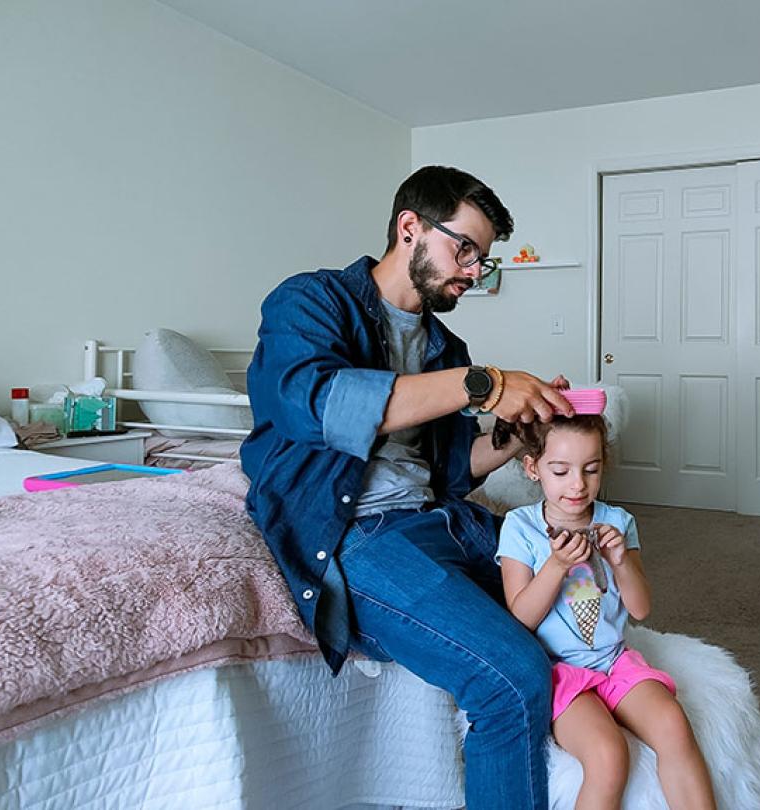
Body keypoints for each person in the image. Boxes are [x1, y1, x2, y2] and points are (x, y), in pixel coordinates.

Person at [240, 165, 574, 810]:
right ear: (410, 228)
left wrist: (514, 437)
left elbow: (449, 468)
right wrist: (486, 385)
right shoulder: (311, 300)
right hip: (359, 535)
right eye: (465, 248)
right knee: (512, 679)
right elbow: (316, 402)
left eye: (484, 258)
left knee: (579, 613)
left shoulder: (445, 346)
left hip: (445, 521)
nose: (475, 271)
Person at [497, 415, 717, 810]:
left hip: (614, 661)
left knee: (673, 725)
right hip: (557, 672)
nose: (577, 484)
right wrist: (556, 565)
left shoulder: (617, 521)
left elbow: (640, 608)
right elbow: (520, 619)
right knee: (608, 754)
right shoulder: (520, 526)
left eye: (591, 469)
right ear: (533, 469)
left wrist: (620, 561)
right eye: (561, 471)